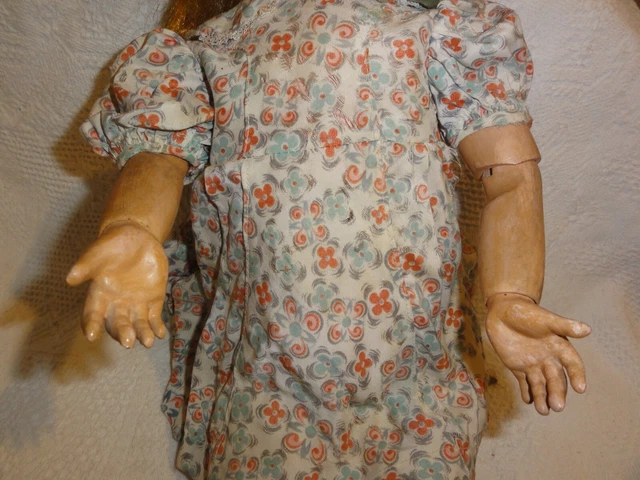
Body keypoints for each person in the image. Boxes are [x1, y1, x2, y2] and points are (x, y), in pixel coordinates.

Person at [67, 0, 591, 478]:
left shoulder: (435, 31)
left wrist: (511, 292)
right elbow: (159, 157)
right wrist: (133, 226)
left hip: (414, 358)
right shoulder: (209, 49)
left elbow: (510, 177)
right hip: (265, 363)